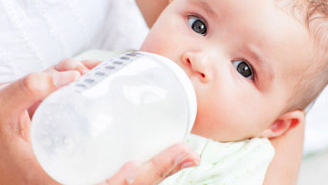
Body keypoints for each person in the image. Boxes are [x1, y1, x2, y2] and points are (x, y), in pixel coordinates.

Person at [0, 1, 200, 184]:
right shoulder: (96, 67)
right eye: (198, 25)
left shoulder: (226, 165)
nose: (199, 60)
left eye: (234, 66)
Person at [132, 0, 327, 184]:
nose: (200, 60)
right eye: (198, 25)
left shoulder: (238, 165)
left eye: (244, 69)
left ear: (276, 124)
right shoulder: (119, 67)